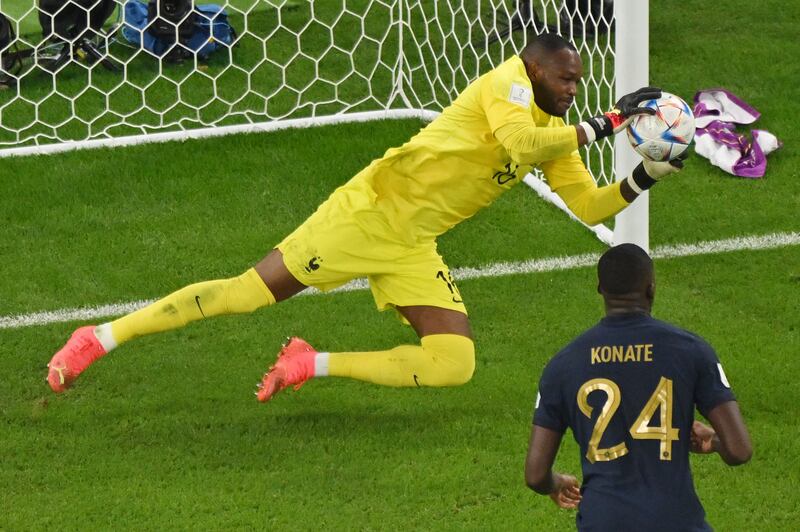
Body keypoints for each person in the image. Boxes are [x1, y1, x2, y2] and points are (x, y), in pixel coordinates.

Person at [47, 33, 683, 402]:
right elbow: (520, 146)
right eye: (566, 79)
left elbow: (591, 205)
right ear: (535, 68)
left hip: (412, 242)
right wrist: (609, 123)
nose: (575, 88)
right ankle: (100, 337)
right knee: (246, 294)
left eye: (580, 81)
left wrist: (650, 170)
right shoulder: (507, 86)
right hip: (367, 214)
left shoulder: (555, 125)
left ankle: (309, 361)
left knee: (452, 363)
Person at [525, 244, 752, 530]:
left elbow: (535, 475)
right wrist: (714, 442)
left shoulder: (562, 365)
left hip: (603, 522)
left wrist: (556, 483)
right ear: (651, 288)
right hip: (676, 522)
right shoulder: (692, 351)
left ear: (600, 289)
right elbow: (739, 450)